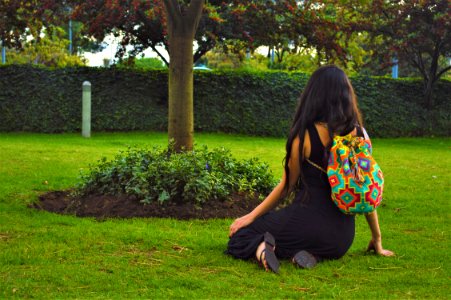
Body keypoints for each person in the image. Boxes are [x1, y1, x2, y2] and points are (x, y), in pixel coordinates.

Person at [226, 65, 394, 273]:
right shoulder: (360, 135)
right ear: (346, 95)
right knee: (306, 240)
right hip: (341, 239)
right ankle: (310, 256)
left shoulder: (305, 135)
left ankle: (262, 248)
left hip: (306, 222)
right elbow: (364, 190)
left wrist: (250, 217)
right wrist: (376, 239)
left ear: (314, 95)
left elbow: (286, 186)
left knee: (241, 235)